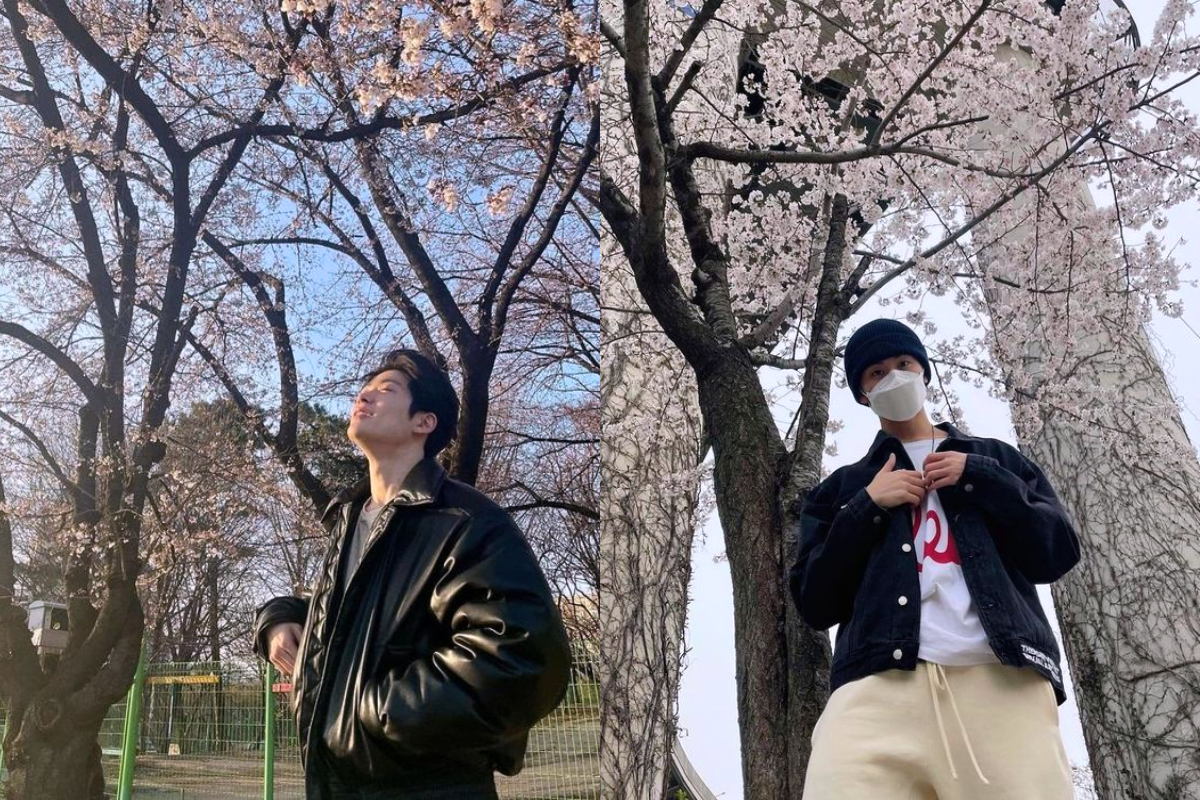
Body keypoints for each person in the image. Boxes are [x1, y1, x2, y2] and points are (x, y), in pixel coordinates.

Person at [252, 349, 572, 800]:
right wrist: (278, 618)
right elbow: (358, 621)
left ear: (424, 422)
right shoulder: (350, 521)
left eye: (387, 389)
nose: (364, 395)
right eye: (365, 388)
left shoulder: (463, 520)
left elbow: (521, 657)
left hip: (426, 788)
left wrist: (375, 710)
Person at [790, 318, 1080, 799]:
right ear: (862, 394)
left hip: (1001, 679)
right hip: (876, 687)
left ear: (924, 371)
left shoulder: (996, 458)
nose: (893, 377)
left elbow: (1056, 552)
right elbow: (814, 602)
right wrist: (867, 506)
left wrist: (982, 476)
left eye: (904, 364)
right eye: (876, 373)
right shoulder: (843, 487)